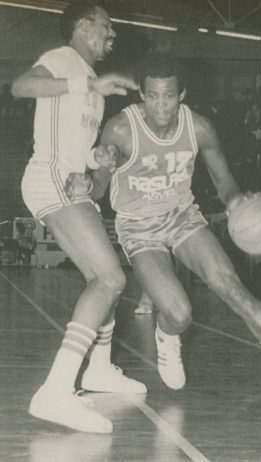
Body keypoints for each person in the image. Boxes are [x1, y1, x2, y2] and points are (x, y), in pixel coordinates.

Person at [66, 56, 261, 428]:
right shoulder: (121, 129)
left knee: (237, 292)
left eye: (169, 96)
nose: (161, 105)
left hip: (183, 216)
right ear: (141, 94)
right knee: (179, 313)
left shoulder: (200, 129)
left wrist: (236, 202)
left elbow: (223, 182)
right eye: (152, 96)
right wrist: (89, 184)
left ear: (182, 94)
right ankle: (168, 335)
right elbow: (102, 182)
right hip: (138, 226)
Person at [11, 0, 146, 434]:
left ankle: (99, 370)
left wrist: (97, 157)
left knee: (105, 281)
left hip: (66, 180)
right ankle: (55, 390)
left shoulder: (89, 80)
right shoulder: (62, 60)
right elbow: (20, 87)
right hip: (46, 176)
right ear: (84, 26)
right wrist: (88, 84)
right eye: (106, 25)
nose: (112, 33)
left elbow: (72, 141)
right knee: (110, 280)